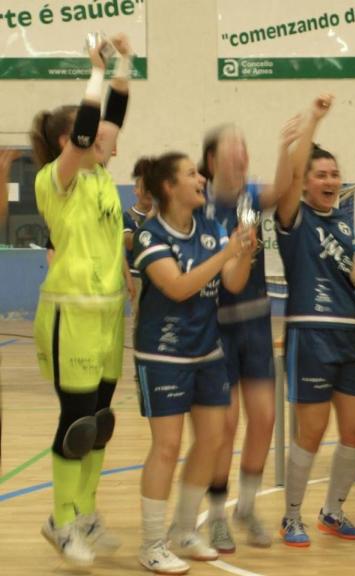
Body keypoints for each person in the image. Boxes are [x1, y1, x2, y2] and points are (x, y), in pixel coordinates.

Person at [30, 35, 132, 567]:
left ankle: (86, 513)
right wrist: (94, 70)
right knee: (75, 423)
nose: (109, 140)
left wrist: (123, 64)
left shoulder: (100, 177)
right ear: (74, 140)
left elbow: (110, 116)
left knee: (100, 420)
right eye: (92, 136)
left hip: (108, 313)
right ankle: (61, 519)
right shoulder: (58, 180)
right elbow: (94, 125)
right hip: (71, 315)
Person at [132, 152, 256, 574]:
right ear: (169, 187)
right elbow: (179, 287)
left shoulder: (209, 227)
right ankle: (151, 543)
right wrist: (227, 256)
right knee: (166, 447)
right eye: (191, 173)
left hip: (206, 352)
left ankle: (184, 529)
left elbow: (232, 282)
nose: (201, 178)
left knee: (214, 438)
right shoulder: (150, 236)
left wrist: (246, 252)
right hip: (162, 355)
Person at [273, 95, 355, 547]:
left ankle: (333, 511)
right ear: (306, 183)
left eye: (335, 174)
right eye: (321, 174)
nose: (331, 180)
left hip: (351, 334)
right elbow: (290, 176)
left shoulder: (347, 224)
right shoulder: (293, 217)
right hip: (309, 334)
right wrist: (311, 120)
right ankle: (292, 516)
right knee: (310, 432)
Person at [200, 119, 293, 551]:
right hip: (215, 326)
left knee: (265, 418)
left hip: (255, 322)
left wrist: (292, 140)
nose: (242, 152)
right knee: (225, 424)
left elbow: (285, 184)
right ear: (214, 159)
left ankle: (247, 507)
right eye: (233, 146)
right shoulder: (196, 203)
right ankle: (216, 514)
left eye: (245, 145)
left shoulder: (252, 199)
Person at [123, 156, 154, 318]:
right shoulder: (128, 216)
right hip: (137, 277)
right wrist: (147, 222)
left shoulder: (162, 214)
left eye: (151, 188)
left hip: (157, 275)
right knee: (140, 320)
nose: (148, 192)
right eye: (144, 187)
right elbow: (129, 244)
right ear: (135, 190)